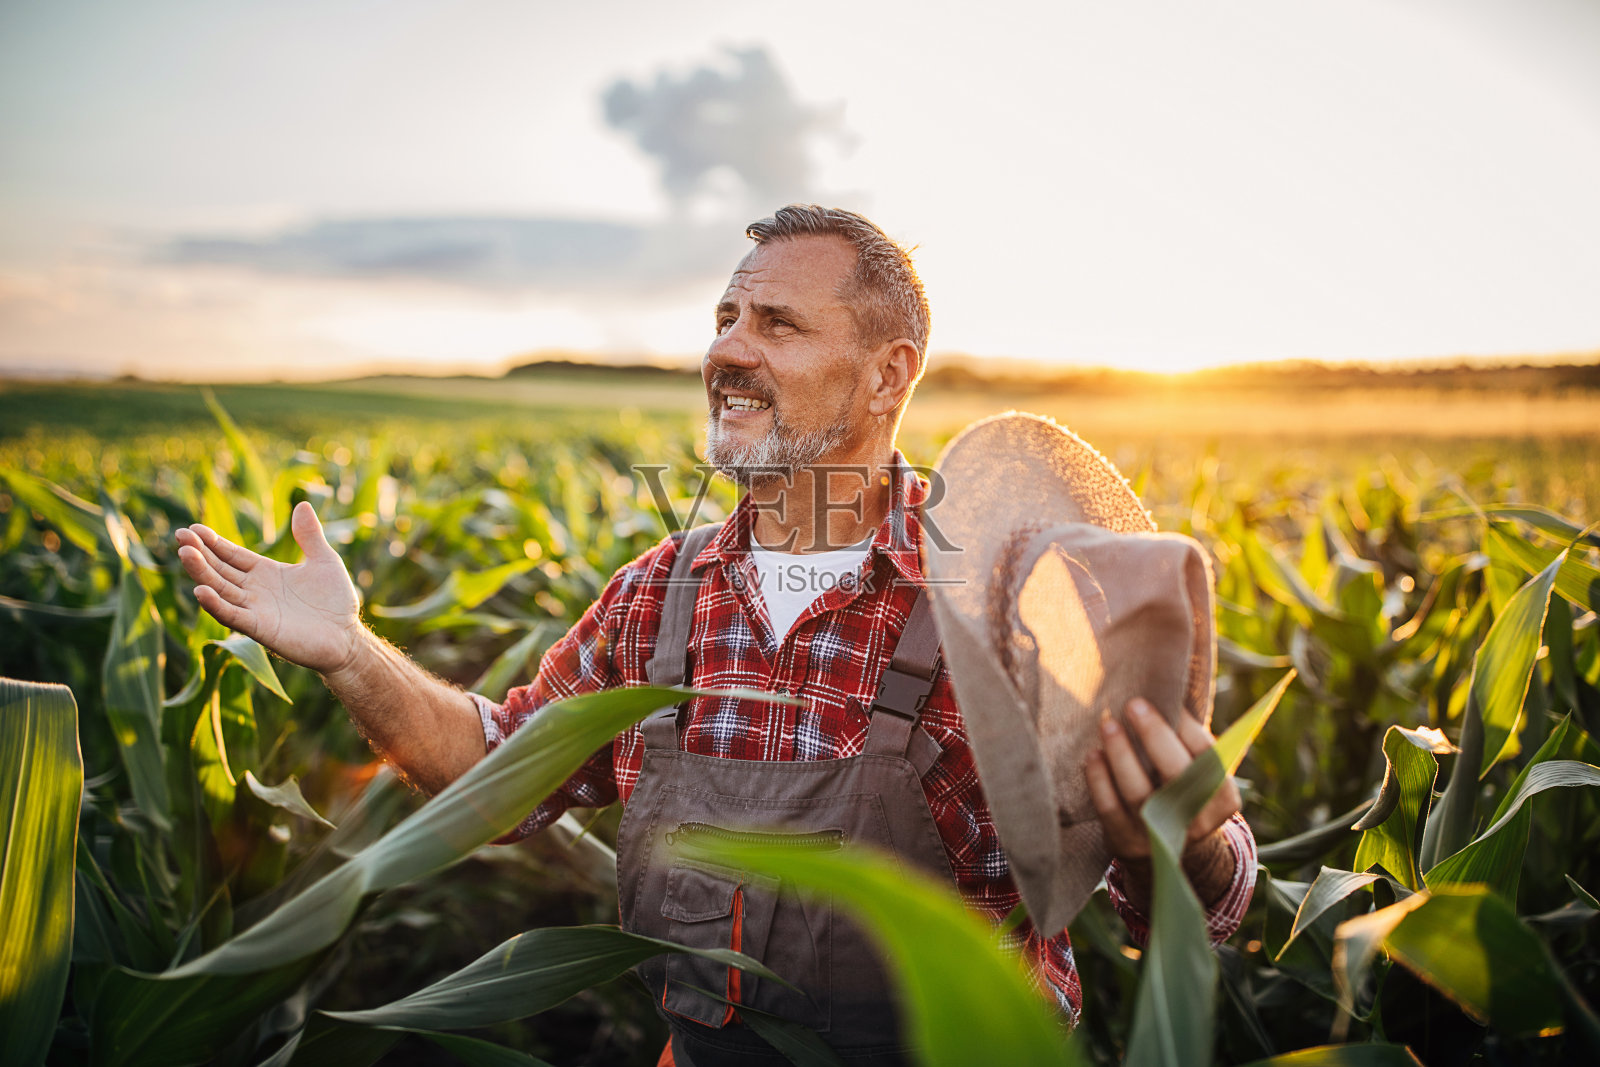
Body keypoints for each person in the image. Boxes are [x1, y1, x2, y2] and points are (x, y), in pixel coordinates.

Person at [175, 205, 1255, 1065]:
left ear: (889, 373)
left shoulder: (1003, 592)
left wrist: (1191, 839)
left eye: (777, 324)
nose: (728, 351)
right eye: (725, 318)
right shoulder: (659, 592)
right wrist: (349, 648)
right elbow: (500, 778)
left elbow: (1166, 911)